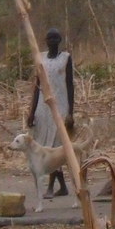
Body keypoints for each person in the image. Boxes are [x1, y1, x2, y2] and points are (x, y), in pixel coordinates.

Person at [26, 28, 74, 198]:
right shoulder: (41, 58)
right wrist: (31, 112)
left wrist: (71, 112)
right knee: (44, 146)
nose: (52, 40)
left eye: (55, 37)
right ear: (45, 40)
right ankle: (62, 186)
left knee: (55, 146)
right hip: (42, 106)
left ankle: (51, 187)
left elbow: (69, 85)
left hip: (60, 105)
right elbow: (37, 86)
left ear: (60, 39)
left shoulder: (66, 58)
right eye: (49, 38)